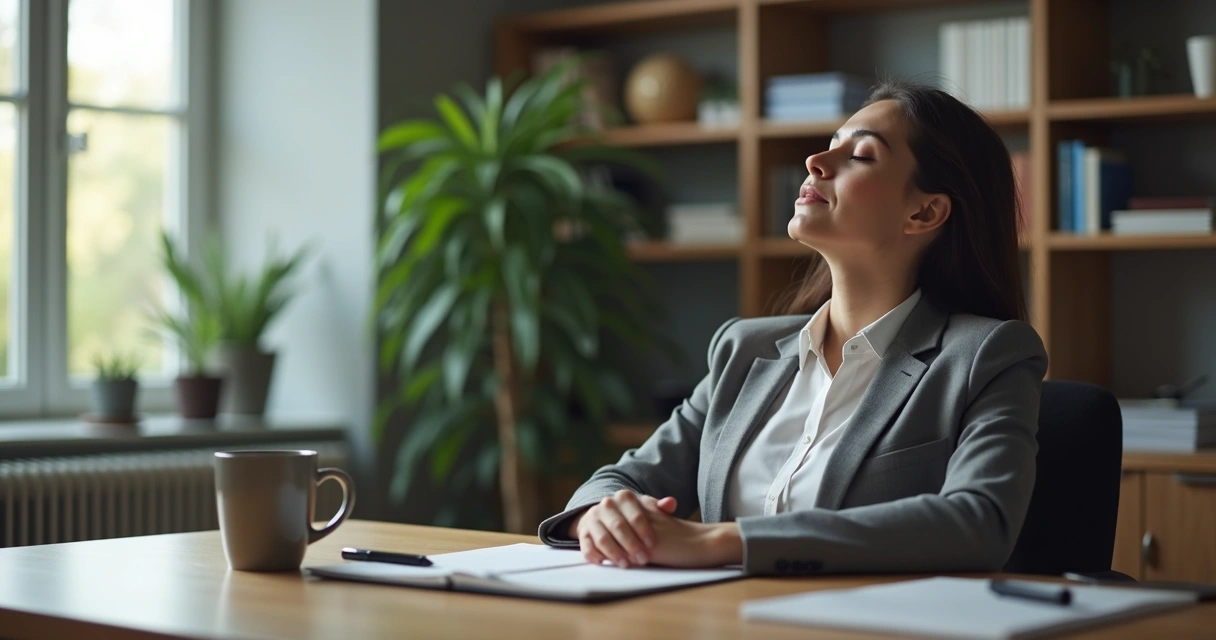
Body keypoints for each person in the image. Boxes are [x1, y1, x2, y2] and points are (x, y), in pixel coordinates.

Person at [537, 79, 1048, 575]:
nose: (814, 162)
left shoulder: (986, 355)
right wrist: (601, 514)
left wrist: (722, 541)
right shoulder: (743, 349)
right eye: (829, 146)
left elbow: (979, 521)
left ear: (925, 211)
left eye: (861, 156)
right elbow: (623, 478)